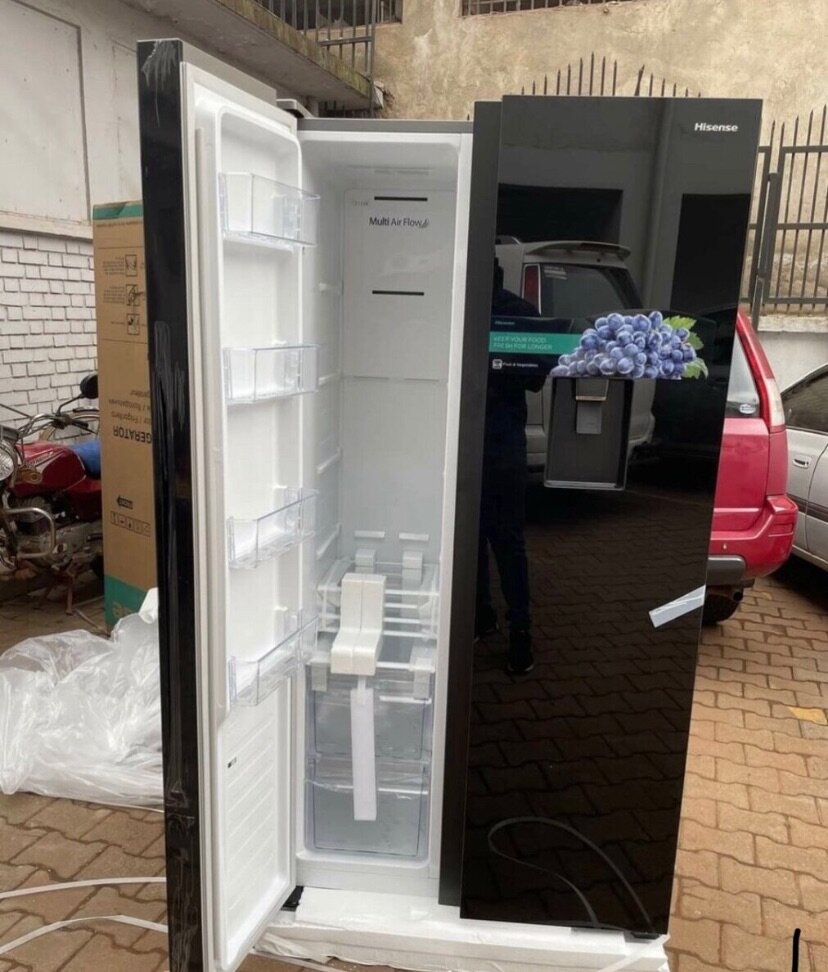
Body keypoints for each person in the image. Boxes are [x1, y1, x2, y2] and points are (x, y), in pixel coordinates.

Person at [476, 259, 545, 674]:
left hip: (473, 443)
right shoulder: (522, 313)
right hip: (504, 444)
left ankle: (484, 618)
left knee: (475, 538)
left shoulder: (464, 310)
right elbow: (537, 379)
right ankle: (519, 634)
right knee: (506, 542)